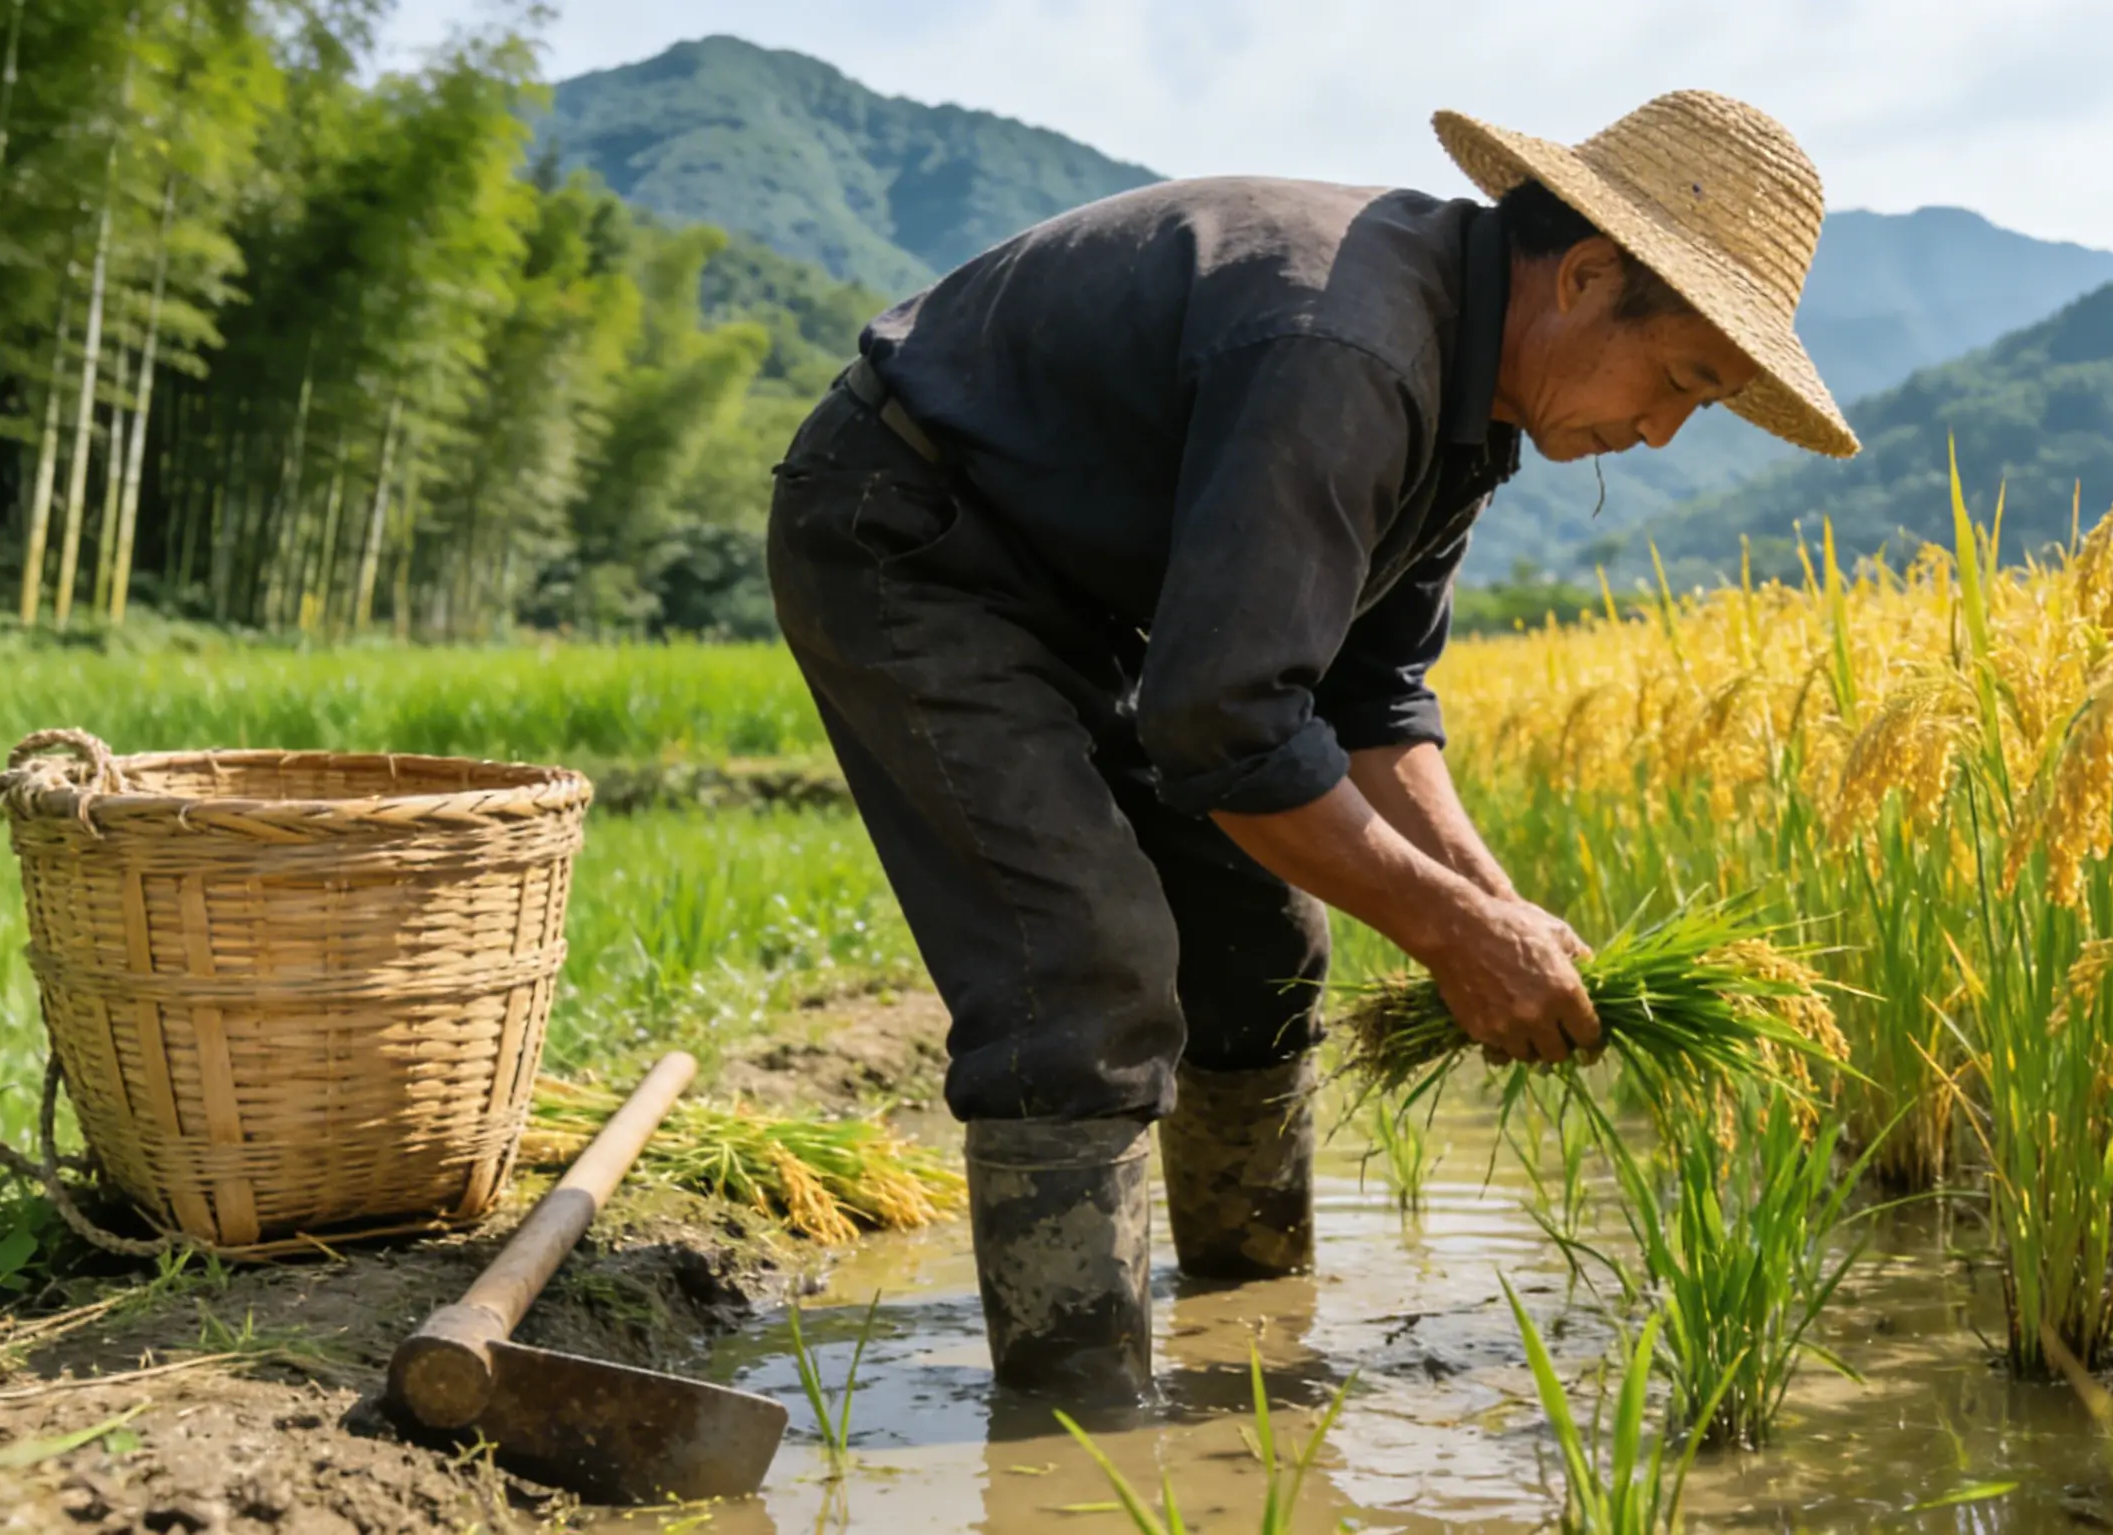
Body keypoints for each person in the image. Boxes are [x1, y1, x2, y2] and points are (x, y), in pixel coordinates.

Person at [764, 89, 1860, 1403]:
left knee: (1262, 941)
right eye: (1679, 380)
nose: (1661, 430)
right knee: (1079, 964)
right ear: (1581, 275)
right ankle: (1079, 1424)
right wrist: (1455, 938)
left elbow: (1370, 688)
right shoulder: (1349, 345)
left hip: (1096, 588)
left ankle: (1246, 1341)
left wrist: (1493, 903)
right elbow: (1224, 717)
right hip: (916, 534)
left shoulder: (1469, 405)